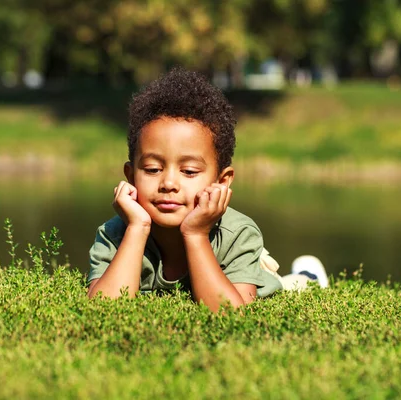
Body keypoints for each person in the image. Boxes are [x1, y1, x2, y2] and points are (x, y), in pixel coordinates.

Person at [87, 67, 327, 312]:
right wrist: (137, 228)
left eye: (189, 171)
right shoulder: (115, 233)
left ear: (222, 181)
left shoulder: (237, 234)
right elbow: (104, 308)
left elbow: (231, 313)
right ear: (130, 176)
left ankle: (309, 276)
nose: (168, 184)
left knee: (289, 285)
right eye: (152, 169)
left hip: (259, 274)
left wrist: (196, 235)